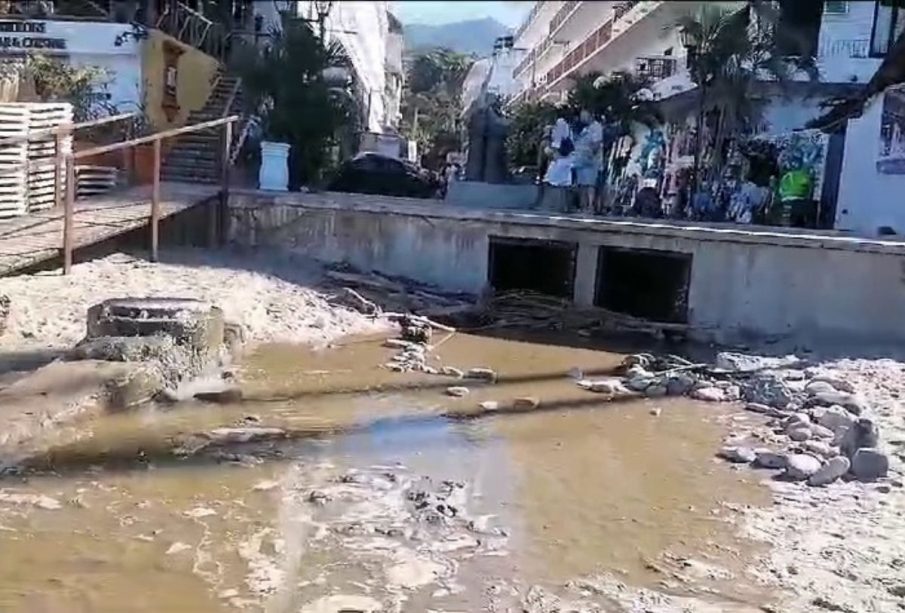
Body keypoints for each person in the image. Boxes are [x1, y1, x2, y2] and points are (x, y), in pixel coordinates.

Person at [573, 109, 604, 214]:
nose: (582, 118)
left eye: (584, 115)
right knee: (582, 184)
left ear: (590, 115)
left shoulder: (596, 127)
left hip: (591, 161)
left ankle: (590, 207)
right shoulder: (584, 128)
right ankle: (583, 206)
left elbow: (596, 144)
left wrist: (589, 152)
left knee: (590, 184)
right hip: (581, 160)